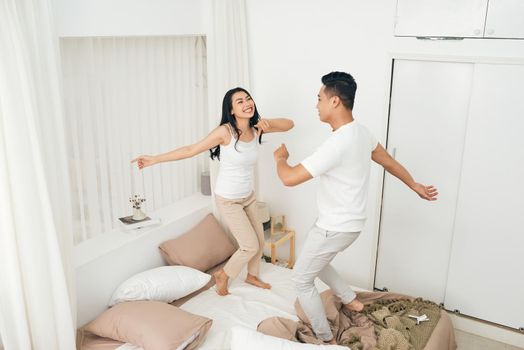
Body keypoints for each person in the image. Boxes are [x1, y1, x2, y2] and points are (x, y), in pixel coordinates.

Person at [272, 72, 437, 344]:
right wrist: (414, 184)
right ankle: (352, 301)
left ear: (334, 101)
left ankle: (324, 338)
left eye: (319, 98)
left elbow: (288, 178)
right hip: (349, 225)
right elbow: (390, 163)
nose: (316, 105)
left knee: (301, 279)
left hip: (334, 227)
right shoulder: (361, 132)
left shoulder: (336, 144)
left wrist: (280, 159)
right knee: (315, 260)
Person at [132, 87, 294, 296]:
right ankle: (223, 274)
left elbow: (290, 124)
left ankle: (252, 275)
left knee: (260, 241)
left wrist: (267, 123)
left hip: (248, 196)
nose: (247, 103)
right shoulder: (225, 132)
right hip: (228, 199)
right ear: (231, 110)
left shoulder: (256, 129)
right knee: (249, 245)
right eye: (240, 102)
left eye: (248, 99)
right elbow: (191, 150)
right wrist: (155, 159)